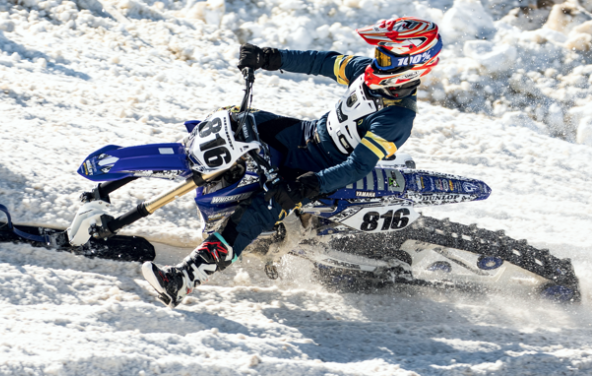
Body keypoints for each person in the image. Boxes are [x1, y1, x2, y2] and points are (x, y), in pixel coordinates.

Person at [141, 17, 443, 307]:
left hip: (318, 171)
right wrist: (271, 57)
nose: (378, 61)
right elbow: (322, 62)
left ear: (410, 66)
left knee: (260, 208)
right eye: (379, 53)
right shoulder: (366, 72)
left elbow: (358, 166)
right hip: (304, 134)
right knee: (238, 122)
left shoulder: (396, 117)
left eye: (387, 57)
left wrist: (310, 184)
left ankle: (182, 280)